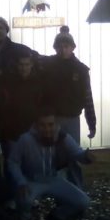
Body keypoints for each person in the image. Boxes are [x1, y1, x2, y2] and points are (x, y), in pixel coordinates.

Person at [7, 107, 95, 220]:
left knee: (84, 202)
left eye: (50, 125)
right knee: (24, 199)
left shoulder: (62, 137)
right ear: (36, 125)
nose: (47, 129)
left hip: (55, 179)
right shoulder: (25, 139)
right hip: (33, 181)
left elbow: (77, 153)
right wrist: (21, 182)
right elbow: (13, 162)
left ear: (56, 124)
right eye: (42, 125)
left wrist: (86, 157)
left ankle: (56, 217)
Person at [41, 26, 96, 188]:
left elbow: (88, 98)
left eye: (66, 46)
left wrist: (92, 123)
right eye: (59, 46)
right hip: (51, 120)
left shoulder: (81, 69)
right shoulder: (46, 65)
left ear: (72, 48)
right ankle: (53, 190)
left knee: (73, 155)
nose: (62, 49)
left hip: (72, 119)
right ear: (55, 48)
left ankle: (76, 189)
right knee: (50, 155)